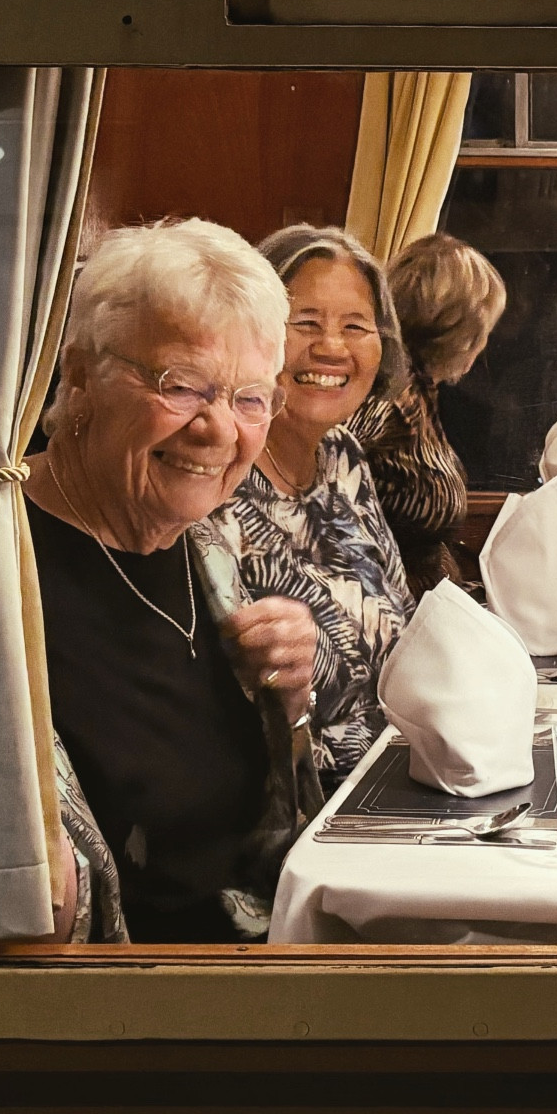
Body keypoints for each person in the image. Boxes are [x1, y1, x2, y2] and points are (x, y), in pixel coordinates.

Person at [23, 218, 322, 944]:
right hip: (118, 1006)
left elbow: (264, 828)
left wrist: (288, 700)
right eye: (181, 385)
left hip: (254, 959)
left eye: (250, 397)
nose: (218, 428)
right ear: (79, 377)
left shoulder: (213, 547)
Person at [199, 224, 415, 794]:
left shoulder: (343, 457)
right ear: (254, 336)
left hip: (397, 780)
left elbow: (406, 624)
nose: (333, 348)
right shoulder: (212, 476)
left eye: (355, 327)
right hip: (297, 812)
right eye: (307, 323)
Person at [351, 231, 506, 595]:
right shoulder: (391, 395)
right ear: (462, 330)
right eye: (484, 329)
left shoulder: (418, 391)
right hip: (389, 619)